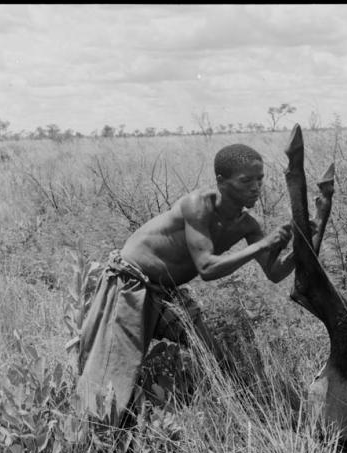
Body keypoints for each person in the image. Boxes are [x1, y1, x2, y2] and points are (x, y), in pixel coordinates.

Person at [75, 143, 296, 426]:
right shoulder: (198, 205)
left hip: (166, 293)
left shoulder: (247, 225)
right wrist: (264, 244)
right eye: (246, 181)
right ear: (221, 182)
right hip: (131, 284)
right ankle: (98, 438)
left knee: (215, 355)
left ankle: (238, 419)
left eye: (260, 179)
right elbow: (206, 267)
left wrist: (301, 244)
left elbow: (274, 273)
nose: (255, 188)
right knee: (113, 374)